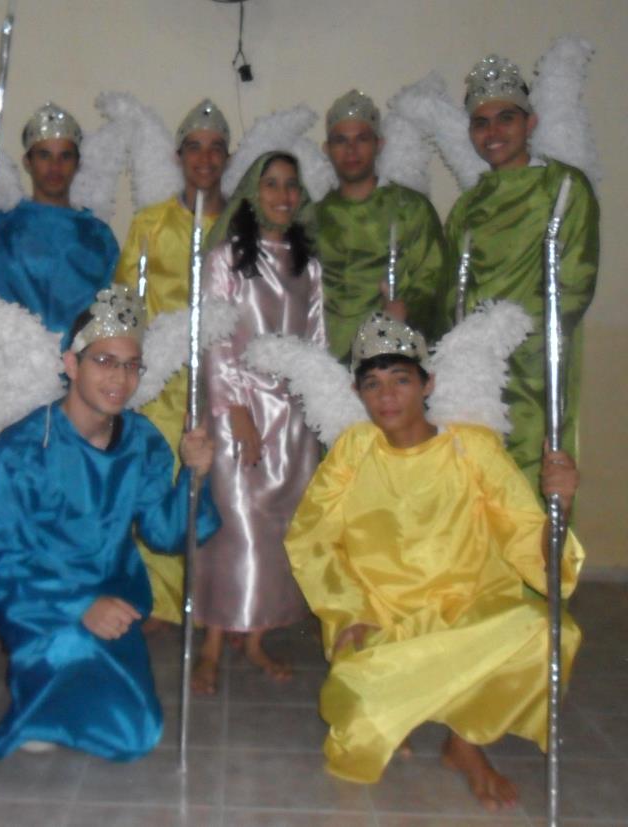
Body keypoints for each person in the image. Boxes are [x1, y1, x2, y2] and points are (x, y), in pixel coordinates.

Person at [285, 312, 583, 811]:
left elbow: (523, 532)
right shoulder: (355, 449)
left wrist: (563, 504)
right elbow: (312, 537)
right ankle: (402, 703)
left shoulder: (472, 447)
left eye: (400, 380)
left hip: (469, 610)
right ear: (358, 393)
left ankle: (463, 743)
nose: (386, 397)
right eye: (373, 384)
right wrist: (350, 610)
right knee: (357, 728)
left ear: (428, 384)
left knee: (551, 632)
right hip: (384, 619)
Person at [0, 285, 219, 764]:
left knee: (136, 730)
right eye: (104, 361)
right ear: (71, 364)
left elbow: (166, 533)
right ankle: (39, 696)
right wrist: (80, 604)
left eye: (131, 365)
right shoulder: (21, 450)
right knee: (128, 732)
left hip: (114, 602)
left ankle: (57, 697)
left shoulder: (142, 440)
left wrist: (194, 477)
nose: (120, 378)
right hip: (40, 606)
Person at [0, 102, 119, 645]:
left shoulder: (97, 235)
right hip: (15, 379)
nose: (54, 166)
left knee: (69, 494)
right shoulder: (0, 228)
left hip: (74, 380)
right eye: (44, 155)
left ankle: (70, 604)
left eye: (65, 156)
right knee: (3, 495)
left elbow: (106, 310)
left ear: (77, 163)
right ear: (28, 161)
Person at [190, 151, 325, 695]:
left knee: (276, 530)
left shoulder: (308, 264)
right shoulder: (225, 258)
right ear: (252, 192)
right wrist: (235, 408)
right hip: (238, 410)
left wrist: (317, 407)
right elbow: (215, 337)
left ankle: (255, 636)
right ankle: (212, 643)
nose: (283, 195)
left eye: (292, 185)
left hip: (292, 418)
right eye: (272, 184)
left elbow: (317, 341)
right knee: (234, 526)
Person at [443, 55, 599, 493]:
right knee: (478, 484)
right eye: (480, 123)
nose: (492, 132)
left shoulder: (563, 188)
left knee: (538, 480)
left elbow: (575, 283)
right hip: (476, 371)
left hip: (538, 364)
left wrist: (514, 339)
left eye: (505, 118)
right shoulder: (468, 207)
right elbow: (452, 294)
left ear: (530, 123)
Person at [114, 98, 230, 626]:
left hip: (223, 381)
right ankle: (160, 603)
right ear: (178, 156)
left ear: (227, 158)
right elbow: (126, 301)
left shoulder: (240, 225)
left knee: (223, 488)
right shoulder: (151, 224)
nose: (205, 158)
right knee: (160, 483)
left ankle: (220, 602)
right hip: (162, 383)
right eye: (194, 148)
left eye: (215, 148)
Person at [317, 90, 447, 362]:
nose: (351, 150)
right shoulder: (314, 218)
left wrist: (405, 313)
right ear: (327, 149)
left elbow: (434, 282)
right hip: (325, 361)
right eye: (341, 140)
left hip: (392, 356)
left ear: (379, 144)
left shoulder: (410, 209)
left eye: (362, 139)